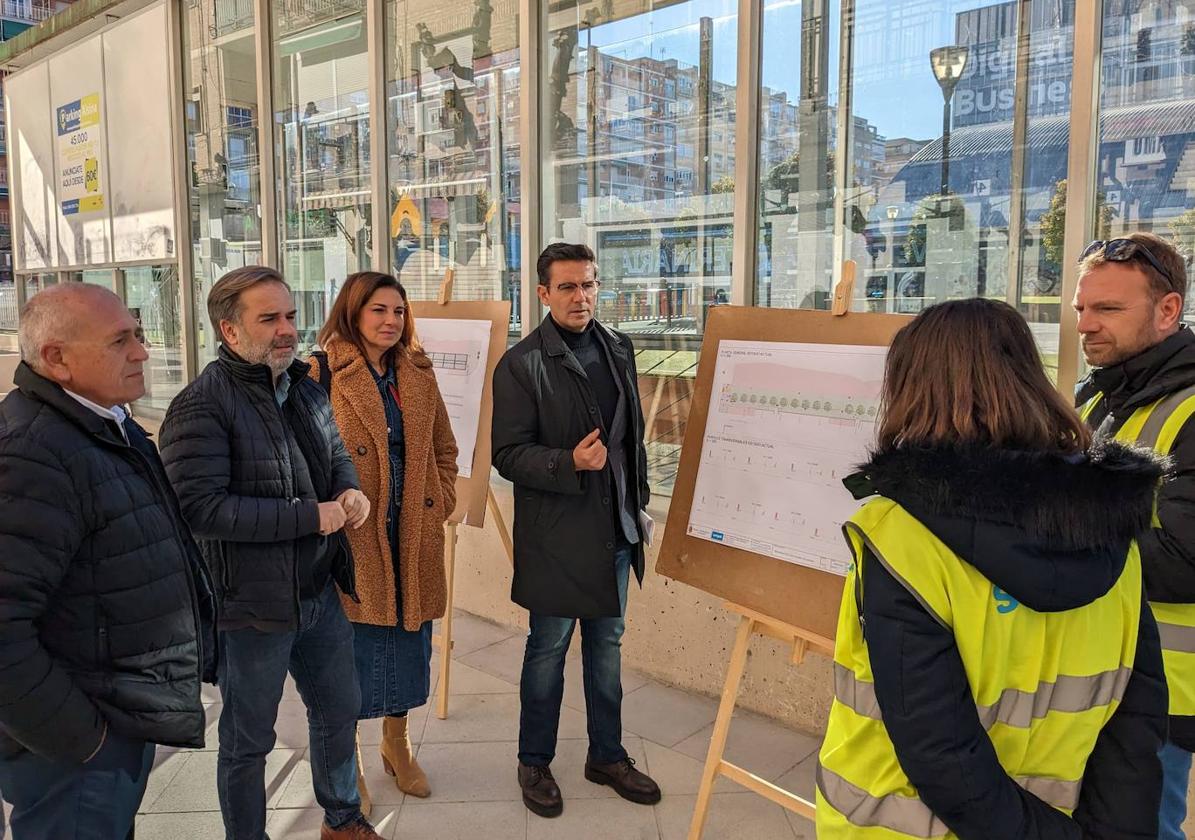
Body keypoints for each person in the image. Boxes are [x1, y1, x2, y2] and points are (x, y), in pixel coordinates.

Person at [817, 298, 1168, 838]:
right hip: (1060, 809)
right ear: (1028, 376)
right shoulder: (1110, 521)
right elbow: (1135, 720)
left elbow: (940, 753)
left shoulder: (900, 534)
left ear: (913, 390)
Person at [158, 266, 380, 840]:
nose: (287, 329)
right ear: (229, 332)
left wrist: (349, 490)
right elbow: (202, 509)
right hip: (250, 607)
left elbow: (334, 457)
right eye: (269, 319)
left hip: (317, 592)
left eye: (289, 314)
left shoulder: (304, 386)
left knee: (339, 710)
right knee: (247, 741)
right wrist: (313, 516)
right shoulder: (199, 407)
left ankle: (342, 819)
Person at [0, 283, 216, 839]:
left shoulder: (101, 424)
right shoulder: (36, 452)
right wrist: (82, 738)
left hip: (109, 716)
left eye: (139, 334)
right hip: (73, 747)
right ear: (57, 359)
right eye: (121, 341)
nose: (143, 352)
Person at [492, 242, 661, 818]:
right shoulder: (521, 364)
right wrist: (569, 463)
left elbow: (629, 440)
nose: (580, 296)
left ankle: (606, 755)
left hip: (614, 528)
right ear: (542, 293)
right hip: (558, 536)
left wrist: (637, 503)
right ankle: (533, 761)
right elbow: (507, 455)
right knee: (548, 649)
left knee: (607, 648)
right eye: (566, 286)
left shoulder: (619, 347)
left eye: (588, 284)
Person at [309, 272, 458, 812]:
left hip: (412, 530)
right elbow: (304, 455)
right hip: (355, 534)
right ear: (353, 312)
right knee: (352, 654)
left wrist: (439, 498)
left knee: (408, 639)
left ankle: (397, 743)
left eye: (398, 311)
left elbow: (445, 445)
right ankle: (349, 763)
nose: (391, 321)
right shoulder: (321, 372)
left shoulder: (417, 371)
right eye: (378, 310)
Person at [1072, 232, 1195, 839]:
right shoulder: (1104, 396)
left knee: (1144, 828)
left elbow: (1185, 561)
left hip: (1164, 688)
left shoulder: (1191, 410)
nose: (1085, 325)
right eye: (1081, 309)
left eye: (1108, 310)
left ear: (1168, 310)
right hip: (1097, 669)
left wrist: (1054, 536)